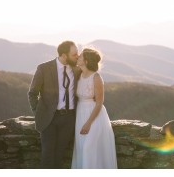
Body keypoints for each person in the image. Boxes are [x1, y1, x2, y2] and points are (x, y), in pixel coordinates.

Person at [28, 40, 80, 168]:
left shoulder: (77, 70)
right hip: (48, 118)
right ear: (63, 55)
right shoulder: (44, 68)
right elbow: (32, 93)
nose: (77, 56)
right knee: (47, 153)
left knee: (60, 153)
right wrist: (38, 112)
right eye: (74, 54)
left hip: (69, 119)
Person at [71, 47, 118, 168]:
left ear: (86, 61)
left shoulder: (96, 78)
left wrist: (88, 123)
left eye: (80, 57)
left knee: (89, 149)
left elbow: (99, 102)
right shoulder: (78, 74)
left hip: (94, 116)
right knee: (82, 148)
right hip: (80, 113)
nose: (78, 58)